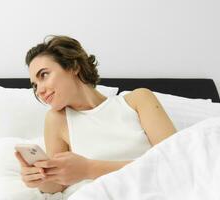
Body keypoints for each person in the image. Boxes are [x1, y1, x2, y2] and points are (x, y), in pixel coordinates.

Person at [14, 35, 176, 196]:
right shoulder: (57, 119)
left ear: (73, 67)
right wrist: (40, 178)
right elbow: (58, 185)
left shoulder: (138, 100)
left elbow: (175, 161)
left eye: (44, 75)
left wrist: (88, 169)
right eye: (35, 85)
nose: (39, 90)